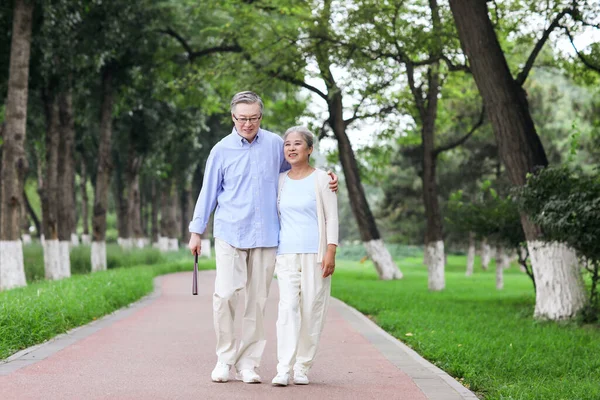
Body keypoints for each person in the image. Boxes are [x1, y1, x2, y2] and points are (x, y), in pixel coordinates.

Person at [188, 91, 337, 384]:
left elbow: (299, 172)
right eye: (242, 118)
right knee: (226, 295)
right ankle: (224, 358)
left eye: (253, 118)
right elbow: (208, 192)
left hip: (268, 235)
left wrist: (328, 176)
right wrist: (196, 231)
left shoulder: (273, 145)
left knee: (257, 302)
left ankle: (248, 363)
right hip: (230, 232)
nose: (248, 124)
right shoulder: (220, 150)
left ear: (260, 117)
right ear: (233, 118)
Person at [271, 126, 338, 387]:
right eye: (287, 144)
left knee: (312, 310)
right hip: (285, 254)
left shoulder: (322, 179)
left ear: (309, 149)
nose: (291, 148)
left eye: (298, 144)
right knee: (287, 309)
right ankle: (283, 368)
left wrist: (331, 251)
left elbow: (332, 216)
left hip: (316, 254)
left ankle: (302, 366)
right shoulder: (280, 180)